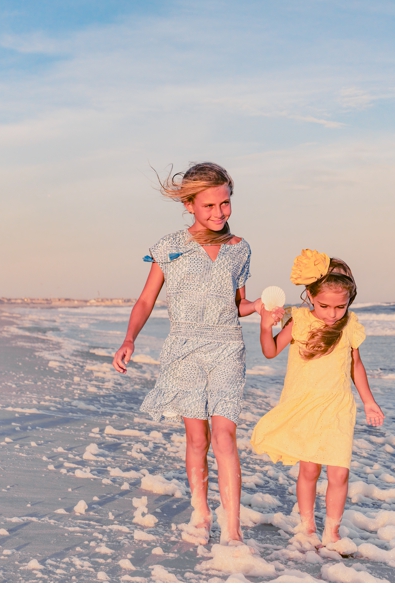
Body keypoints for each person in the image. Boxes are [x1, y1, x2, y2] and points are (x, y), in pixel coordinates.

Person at [113, 162, 258, 543]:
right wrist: (129, 339)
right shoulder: (169, 248)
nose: (218, 213)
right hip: (185, 349)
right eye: (208, 206)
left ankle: (233, 530)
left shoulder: (239, 249)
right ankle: (200, 512)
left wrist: (258, 307)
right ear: (189, 204)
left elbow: (236, 305)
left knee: (225, 434)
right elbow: (146, 300)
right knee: (198, 439)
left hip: (227, 346)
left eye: (224, 204)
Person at [249, 249, 386, 547]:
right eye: (325, 306)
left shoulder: (348, 325)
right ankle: (307, 526)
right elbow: (270, 351)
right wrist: (264, 326)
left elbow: (355, 365)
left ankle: (333, 531)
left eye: (340, 306)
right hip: (305, 404)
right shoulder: (297, 321)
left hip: (338, 407)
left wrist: (369, 401)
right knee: (309, 469)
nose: (333, 313)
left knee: (339, 472)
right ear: (310, 296)